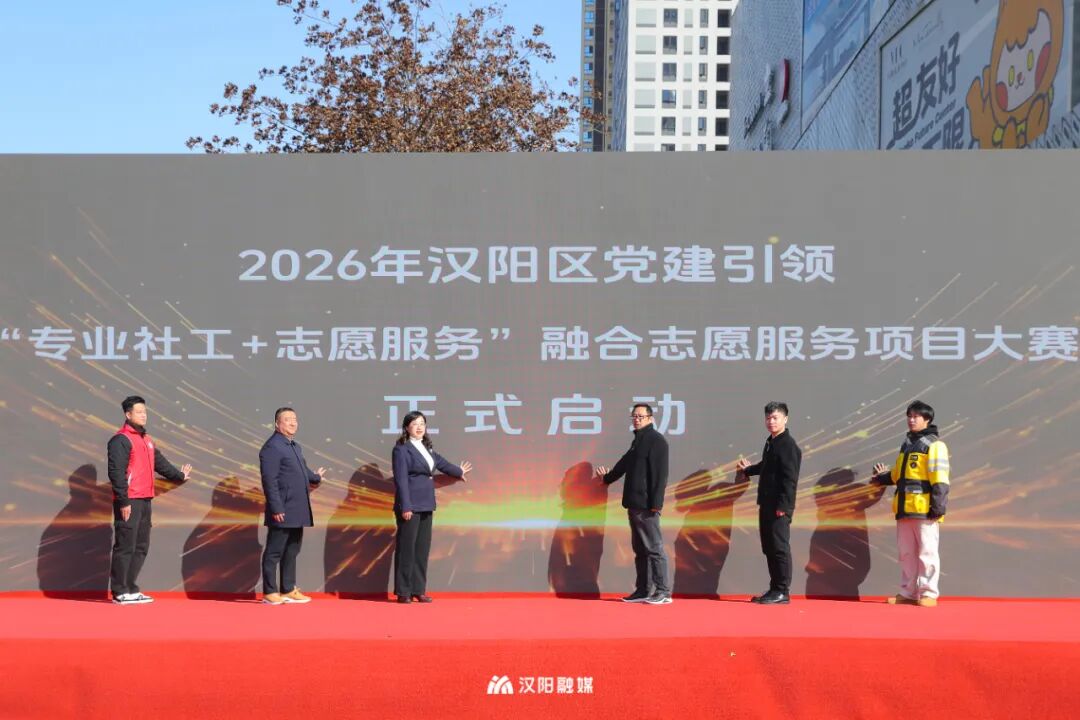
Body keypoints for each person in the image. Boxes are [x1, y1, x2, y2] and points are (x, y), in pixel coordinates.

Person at [107, 395, 192, 604]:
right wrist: (123, 501)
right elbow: (116, 473)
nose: (143, 415)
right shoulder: (121, 440)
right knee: (125, 546)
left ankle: (131, 589)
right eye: (139, 412)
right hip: (130, 500)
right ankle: (120, 591)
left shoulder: (146, 440)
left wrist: (179, 475)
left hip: (145, 499)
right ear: (128, 415)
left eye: (144, 412)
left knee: (141, 546)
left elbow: (160, 464)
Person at [871, 400, 950, 608]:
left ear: (927, 419)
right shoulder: (907, 445)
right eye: (909, 416)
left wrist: (938, 507)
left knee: (927, 553)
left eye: (916, 416)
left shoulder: (935, 445)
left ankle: (928, 593)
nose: (911, 420)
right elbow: (898, 475)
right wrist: (881, 478)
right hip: (904, 509)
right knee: (906, 553)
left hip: (925, 510)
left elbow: (940, 478)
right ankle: (908, 593)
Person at [391, 411, 471, 603]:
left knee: (422, 549)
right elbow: (401, 480)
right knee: (406, 549)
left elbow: (442, 464)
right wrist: (405, 506)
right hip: (410, 505)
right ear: (407, 427)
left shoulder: (427, 448)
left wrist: (458, 471)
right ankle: (403, 592)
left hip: (427, 503)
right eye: (415, 424)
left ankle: (418, 589)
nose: (419, 427)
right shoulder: (401, 449)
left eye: (422, 423)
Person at [595, 403, 671, 605]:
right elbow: (624, 464)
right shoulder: (638, 441)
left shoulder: (656, 441)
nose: (636, 419)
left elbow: (660, 475)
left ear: (650, 418)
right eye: (634, 416)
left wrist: (656, 503)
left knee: (654, 548)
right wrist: (607, 478)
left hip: (647, 505)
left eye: (641, 416)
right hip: (634, 503)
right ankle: (643, 590)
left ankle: (663, 591)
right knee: (640, 550)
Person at [737, 401, 802, 605]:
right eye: (768, 418)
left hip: (778, 507)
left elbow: (790, 479)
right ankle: (775, 589)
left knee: (779, 547)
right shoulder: (772, 442)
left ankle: (782, 591)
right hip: (766, 503)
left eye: (775, 417)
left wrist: (783, 506)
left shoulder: (788, 445)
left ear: (785, 419)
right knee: (770, 547)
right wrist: (749, 470)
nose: (771, 421)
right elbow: (767, 466)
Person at [259, 407, 325, 605]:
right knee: (274, 551)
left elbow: (303, 470)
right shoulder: (272, 447)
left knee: (292, 550)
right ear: (277, 424)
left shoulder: (294, 446)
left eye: (294, 419)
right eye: (287, 419)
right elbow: (269, 480)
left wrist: (316, 477)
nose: (293, 422)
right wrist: (276, 507)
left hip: (298, 507)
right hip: (283, 508)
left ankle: (288, 589)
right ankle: (270, 592)